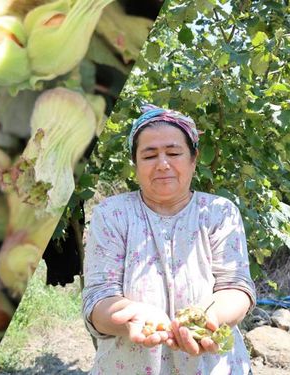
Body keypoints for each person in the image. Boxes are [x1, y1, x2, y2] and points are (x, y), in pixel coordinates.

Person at [81, 104, 256, 374]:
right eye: (149, 156)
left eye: (174, 152)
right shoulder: (113, 214)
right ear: (135, 164)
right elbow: (99, 299)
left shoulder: (219, 213)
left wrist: (209, 318)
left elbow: (237, 288)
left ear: (193, 159)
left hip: (212, 366)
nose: (163, 164)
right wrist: (128, 316)